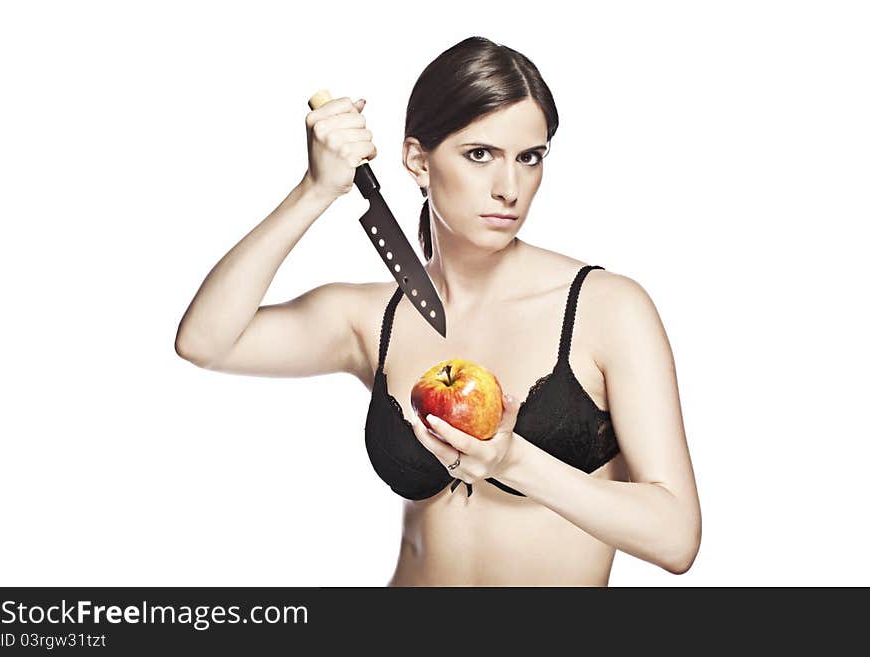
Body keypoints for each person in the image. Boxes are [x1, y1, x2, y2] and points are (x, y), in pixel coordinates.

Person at [175, 36, 701, 586]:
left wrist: (512, 461)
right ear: (418, 162)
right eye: (480, 155)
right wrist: (314, 190)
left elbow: (676, 538)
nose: (509, 188)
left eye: (530, 158)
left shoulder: (604, 308)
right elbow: (205, 341)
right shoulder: (375, 318)